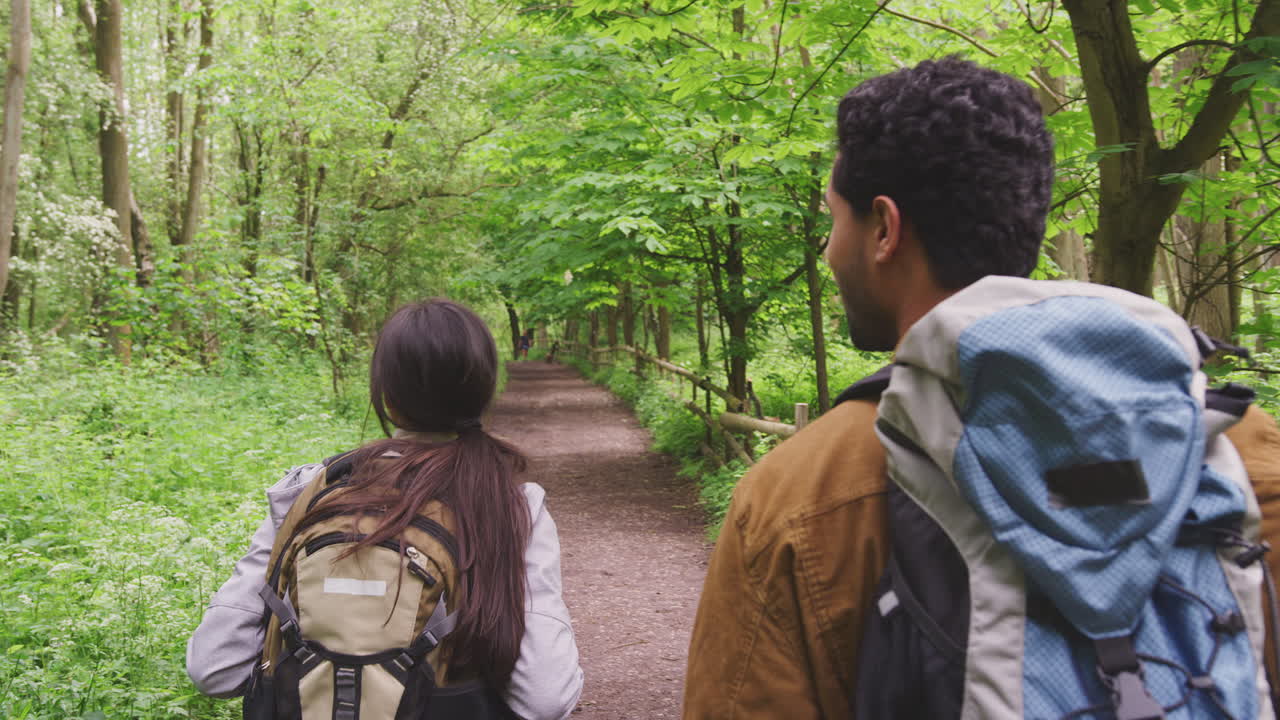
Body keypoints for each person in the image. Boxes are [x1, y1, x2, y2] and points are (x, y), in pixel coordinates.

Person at [682, 56, 1280, 718]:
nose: (828, 251)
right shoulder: (1237, 445)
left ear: (884, 228)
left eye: (834, 220)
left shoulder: (801, 492)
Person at [188, 299, 584, 720]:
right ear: (483, 394)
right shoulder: (511, 504)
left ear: (387, 397)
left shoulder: (311, 490)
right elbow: (545, 698)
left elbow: (214, 669)